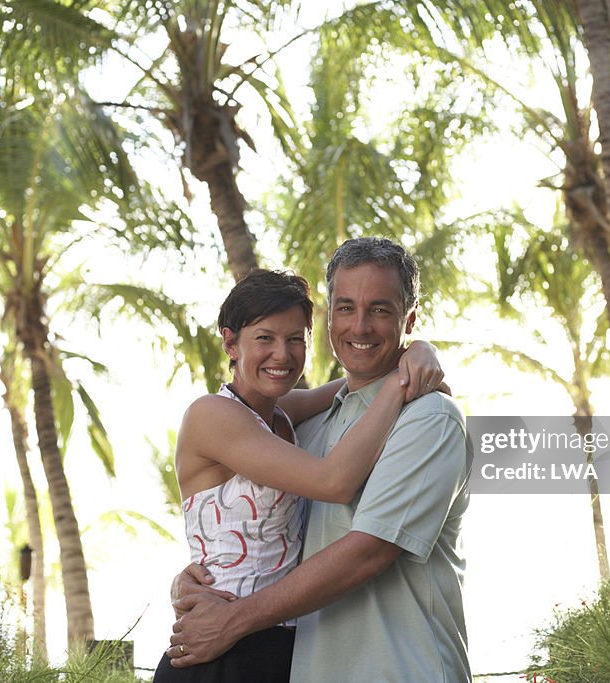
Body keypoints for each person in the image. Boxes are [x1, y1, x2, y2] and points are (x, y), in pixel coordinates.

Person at [167, 238, 471, 682]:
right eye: (346, 308)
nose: (360, 326)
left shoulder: (429, 418)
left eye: (381, 310)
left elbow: (368, 552)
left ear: (408, 319)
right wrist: (191, 581)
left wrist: (416, 356)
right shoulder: (304, 427)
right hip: (277, 661)